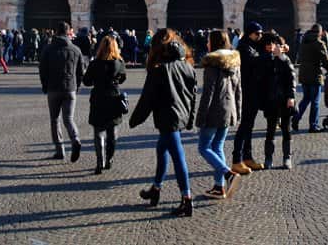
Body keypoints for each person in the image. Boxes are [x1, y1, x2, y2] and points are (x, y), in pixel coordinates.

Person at [130, 29, 197, 217]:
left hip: (168, 118)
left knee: (178, 156)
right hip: (180, 115)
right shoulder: (188, 66)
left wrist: (135, 120)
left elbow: (147, 99)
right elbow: (193, 97)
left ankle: (187, 199)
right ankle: (156, 189)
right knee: (162, 149)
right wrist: (190, 119)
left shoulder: (159, 70)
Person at [195, 30, 242, 199]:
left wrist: (200, 117)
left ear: (213, 43)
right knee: (218, 147)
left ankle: (228, 174)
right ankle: (218, 187)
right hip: (229, 110)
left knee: (204, 147)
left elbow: (208, 92)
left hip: (213, 111)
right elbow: (238, 90)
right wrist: (238, 112)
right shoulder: (234, 62)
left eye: (208, 41)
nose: (207, 43)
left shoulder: (211, 62)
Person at [38, 22, 86, 162]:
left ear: (56, 32)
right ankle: (75, 138)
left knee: (54, 120)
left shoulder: (48, 49)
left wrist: (44, 85)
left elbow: (42, 70)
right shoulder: (76, 50)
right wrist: (77, 87)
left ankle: (60, 150)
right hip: (70, 88)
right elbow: (81, 72)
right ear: (68, 32)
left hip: (53, 88)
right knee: (69, 118)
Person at [83, 35, 126, 173]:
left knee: (98, 131)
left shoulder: (95, 63)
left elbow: (87, 81)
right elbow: (123, 78)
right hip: (113, 98)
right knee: (112, 132)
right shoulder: (119, 62)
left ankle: (99, 161)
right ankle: (109, 159)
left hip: (98, 98)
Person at [231, 22, 265, 174]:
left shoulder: (252, 46)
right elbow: (254, 63)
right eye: (257, 33)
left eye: (261, 33)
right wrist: (268, 55)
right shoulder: (244, 48)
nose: (260, 36)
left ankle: (247, 157)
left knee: (249, 126)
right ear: (250, 33)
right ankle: (236, 160)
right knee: (244, 126)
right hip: (246, 92)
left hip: (253, 91)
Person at [261, 33, 297, 170]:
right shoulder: (267, 60)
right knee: (270, 129)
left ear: (280, 47)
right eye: (270, 45)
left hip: (284, 99)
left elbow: (292, 79)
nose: (273, 47)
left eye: (275, 45)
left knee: (286, 130)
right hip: (271, 100)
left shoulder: (285, 60)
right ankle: (268, 158)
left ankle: (287, 157)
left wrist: (291, 97)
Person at [293, 24, 328, 134]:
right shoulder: (318, 43)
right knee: (315, 102)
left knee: (306, 99)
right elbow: (326, 60)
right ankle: (313, 125)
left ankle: (295, 118)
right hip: (315, 75)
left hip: (304, 74)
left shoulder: (304, 42)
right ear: (320, 32)